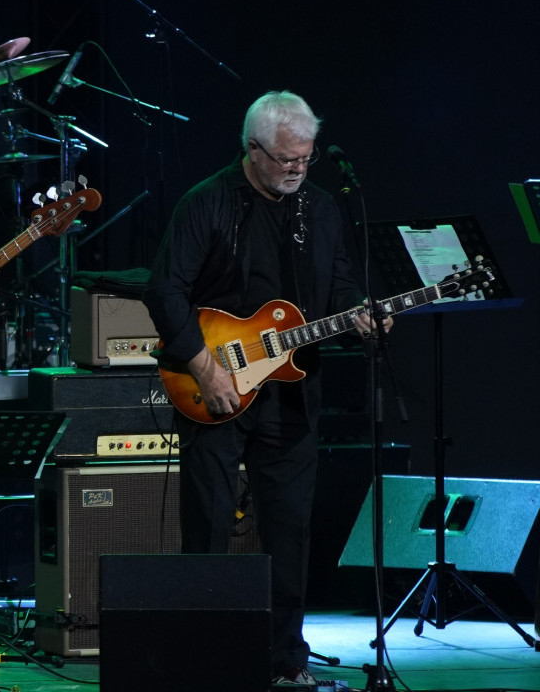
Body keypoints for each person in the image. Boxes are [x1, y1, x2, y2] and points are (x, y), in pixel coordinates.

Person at [142, 91, 391, 686]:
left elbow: (339, 291)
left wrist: (361, 320)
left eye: (305, 160)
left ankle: (285, 659)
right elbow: (164, 291)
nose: (296, 171)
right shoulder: (206, 202)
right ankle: (203, 660)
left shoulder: (322, 210)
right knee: (206, 525)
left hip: (292, 392)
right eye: (285, 160)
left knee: (289, 527)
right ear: (251, 149)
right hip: (214, 384)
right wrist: (205, 366)